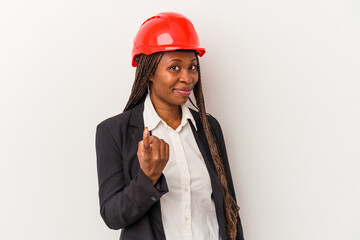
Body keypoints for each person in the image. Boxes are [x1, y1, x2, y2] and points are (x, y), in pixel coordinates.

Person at [95, 12, 244, 240]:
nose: (187, 78)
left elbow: (229, 207)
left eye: (192, 67)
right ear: (149, 72)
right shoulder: (114, 132)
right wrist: (147, 178)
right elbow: (112, 216)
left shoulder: (208, 127)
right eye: (175, 67)